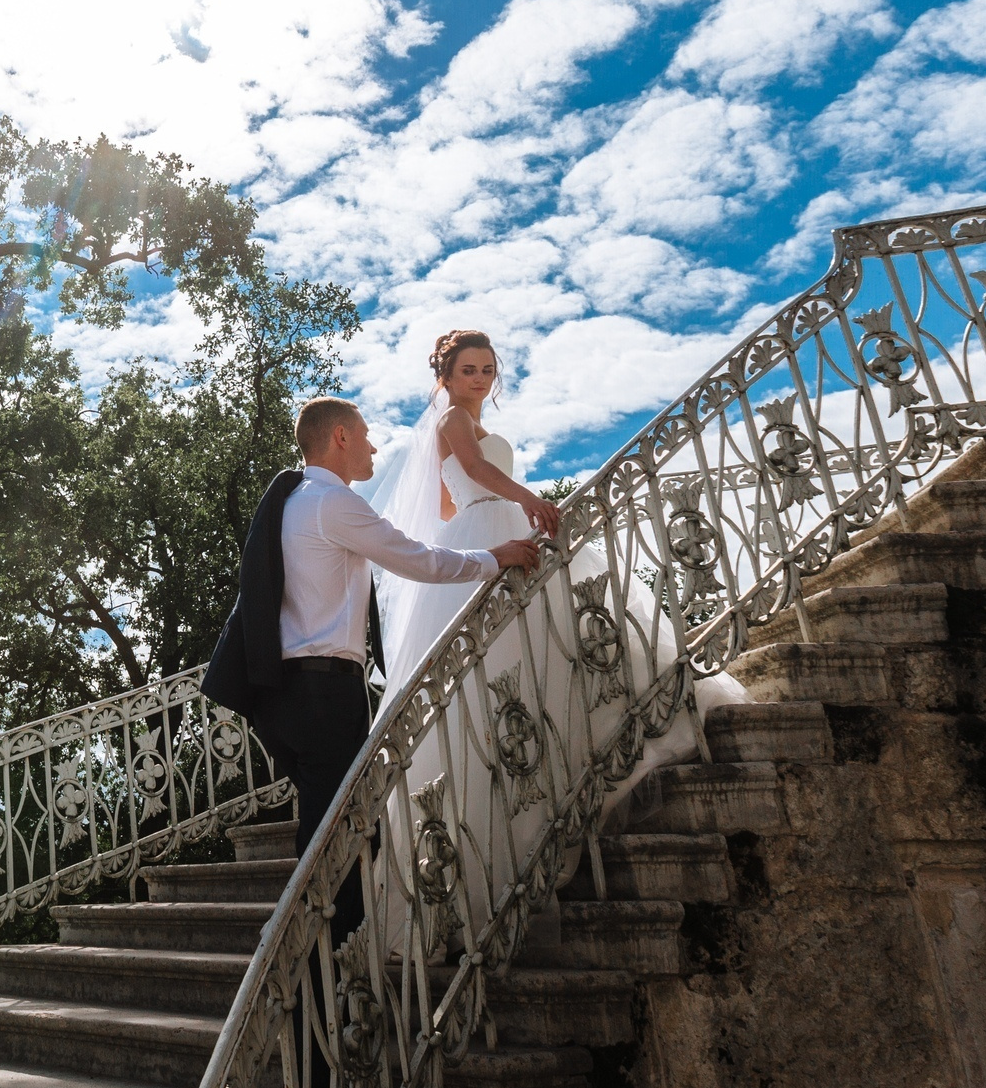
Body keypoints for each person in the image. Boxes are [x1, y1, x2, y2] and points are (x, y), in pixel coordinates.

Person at [373, 329, 746, 952]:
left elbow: (443, 502)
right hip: (494, 528)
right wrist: (525, 504)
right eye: (469, 370)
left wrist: (490, 510)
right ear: (446, 374)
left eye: (489, 369)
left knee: (547, 645)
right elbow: (471, 471)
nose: (481, 380)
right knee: (502, 660)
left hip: (492, 525)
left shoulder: (459, 423)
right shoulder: (448, 423)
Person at [201, 394, 533, 943]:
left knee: (331, 829)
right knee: (342, 837)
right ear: (340, 439)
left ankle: (325, 958)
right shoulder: (334, 504)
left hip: (292, 692)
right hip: (323, 692)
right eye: (366, 434)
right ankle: (320, 963)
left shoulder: (296, 501)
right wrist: (495, 557)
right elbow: (419, 559)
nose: (375, 445)